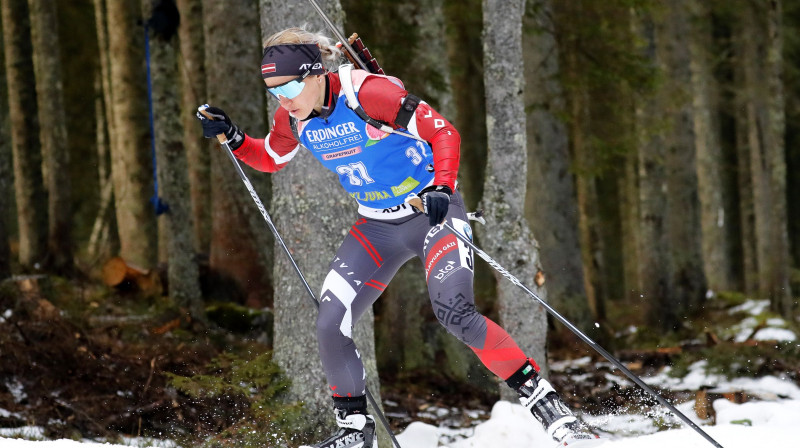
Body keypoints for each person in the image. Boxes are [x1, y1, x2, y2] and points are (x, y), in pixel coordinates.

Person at [197, 26, 602, 448]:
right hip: (374, 227)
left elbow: (443, 132)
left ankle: (547, 404)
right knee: (330, 323)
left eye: (292, 85)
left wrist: (442, 186)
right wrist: (234, 137)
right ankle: (356, 432)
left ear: (316, 73)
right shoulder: (291, 117)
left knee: (456, 312)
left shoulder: (367, 94)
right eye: (274, 91)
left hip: (428, 213)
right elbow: (271, 158)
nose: (285, 98)